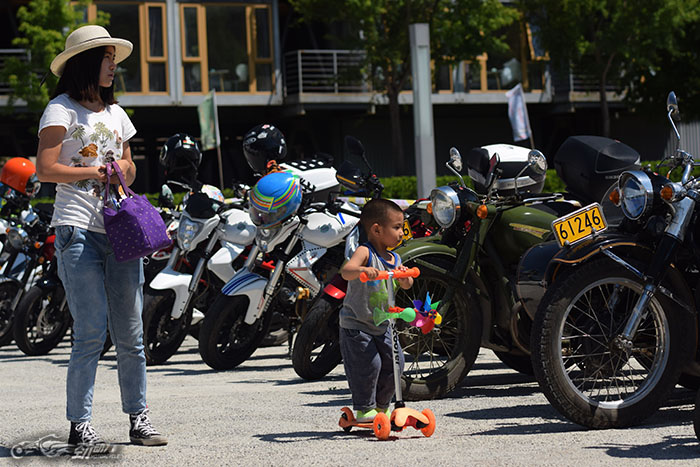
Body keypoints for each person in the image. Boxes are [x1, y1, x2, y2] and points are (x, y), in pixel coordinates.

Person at [35, 25, 167, 447]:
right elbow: (45, 169)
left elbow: (129, 166)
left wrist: (120, 171)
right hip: (78, 230)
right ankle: (81, 423)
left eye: (114, 58)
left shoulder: (116, 114)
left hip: (121, 231)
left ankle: (139, 418)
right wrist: (94, 171)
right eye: (107, 58)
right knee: (90, 331)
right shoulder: (61, 110)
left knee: (131, 332)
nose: (113, 65)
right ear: (87, 63)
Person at [338, 198, 414, 422]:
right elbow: (347, 271)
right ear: (377, 229)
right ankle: (364, 408)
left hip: (384, 323)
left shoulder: (395, 257)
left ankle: (381, 407)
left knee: (396, 363)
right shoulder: (365, 252)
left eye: (402, 226)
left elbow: (407, 284)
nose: (402, 232)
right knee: (370, 365)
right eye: (397, 227)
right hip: (358, 323)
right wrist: (363, 269)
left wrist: (405, 274)